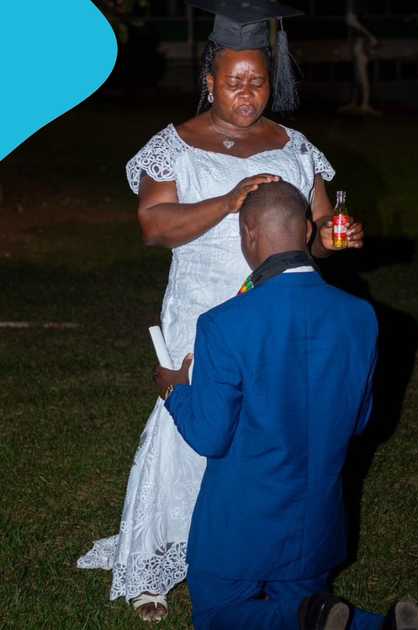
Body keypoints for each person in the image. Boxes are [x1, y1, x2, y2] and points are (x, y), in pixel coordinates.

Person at [76, 1, 364, 621]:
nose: (246, 94)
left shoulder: (294, 145)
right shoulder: (174, 145)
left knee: (268, 434)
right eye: (233, 81)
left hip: (279, 316)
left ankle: (266, 553)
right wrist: (230, 201)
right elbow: (155, 227)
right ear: (209, 79)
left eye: (257, 81)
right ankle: (161, 555)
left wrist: (334, 242)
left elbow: (310, 234)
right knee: (190, 429)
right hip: (202, 309)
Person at [152, 180, 418, 630]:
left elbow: (208, 434)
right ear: (308, 233)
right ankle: (373, 625)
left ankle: (325, 619)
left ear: (249, 233)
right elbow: (361, 420)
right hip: (316, 523)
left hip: (239, 523)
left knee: (220, 617)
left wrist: (175, 390)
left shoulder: (224, 323)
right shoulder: (361, 315)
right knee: (309, 607)